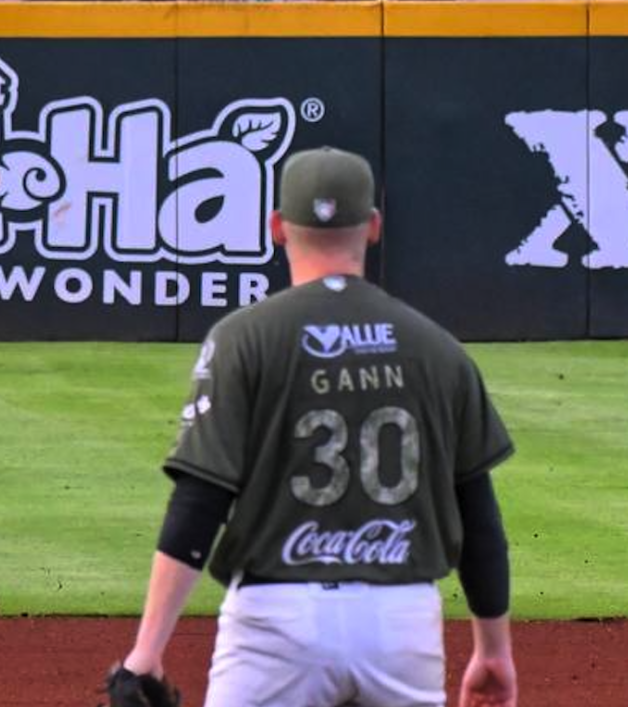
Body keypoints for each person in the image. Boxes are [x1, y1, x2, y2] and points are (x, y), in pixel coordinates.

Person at [108, 147, 518, 706]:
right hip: (401, 619)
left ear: (277, 226)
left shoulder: (243, 339)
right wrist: (493, 650)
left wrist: (146, 652)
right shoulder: (437, 349)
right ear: (373, 227)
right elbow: (479, 517)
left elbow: (200, 501)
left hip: (277, 621)